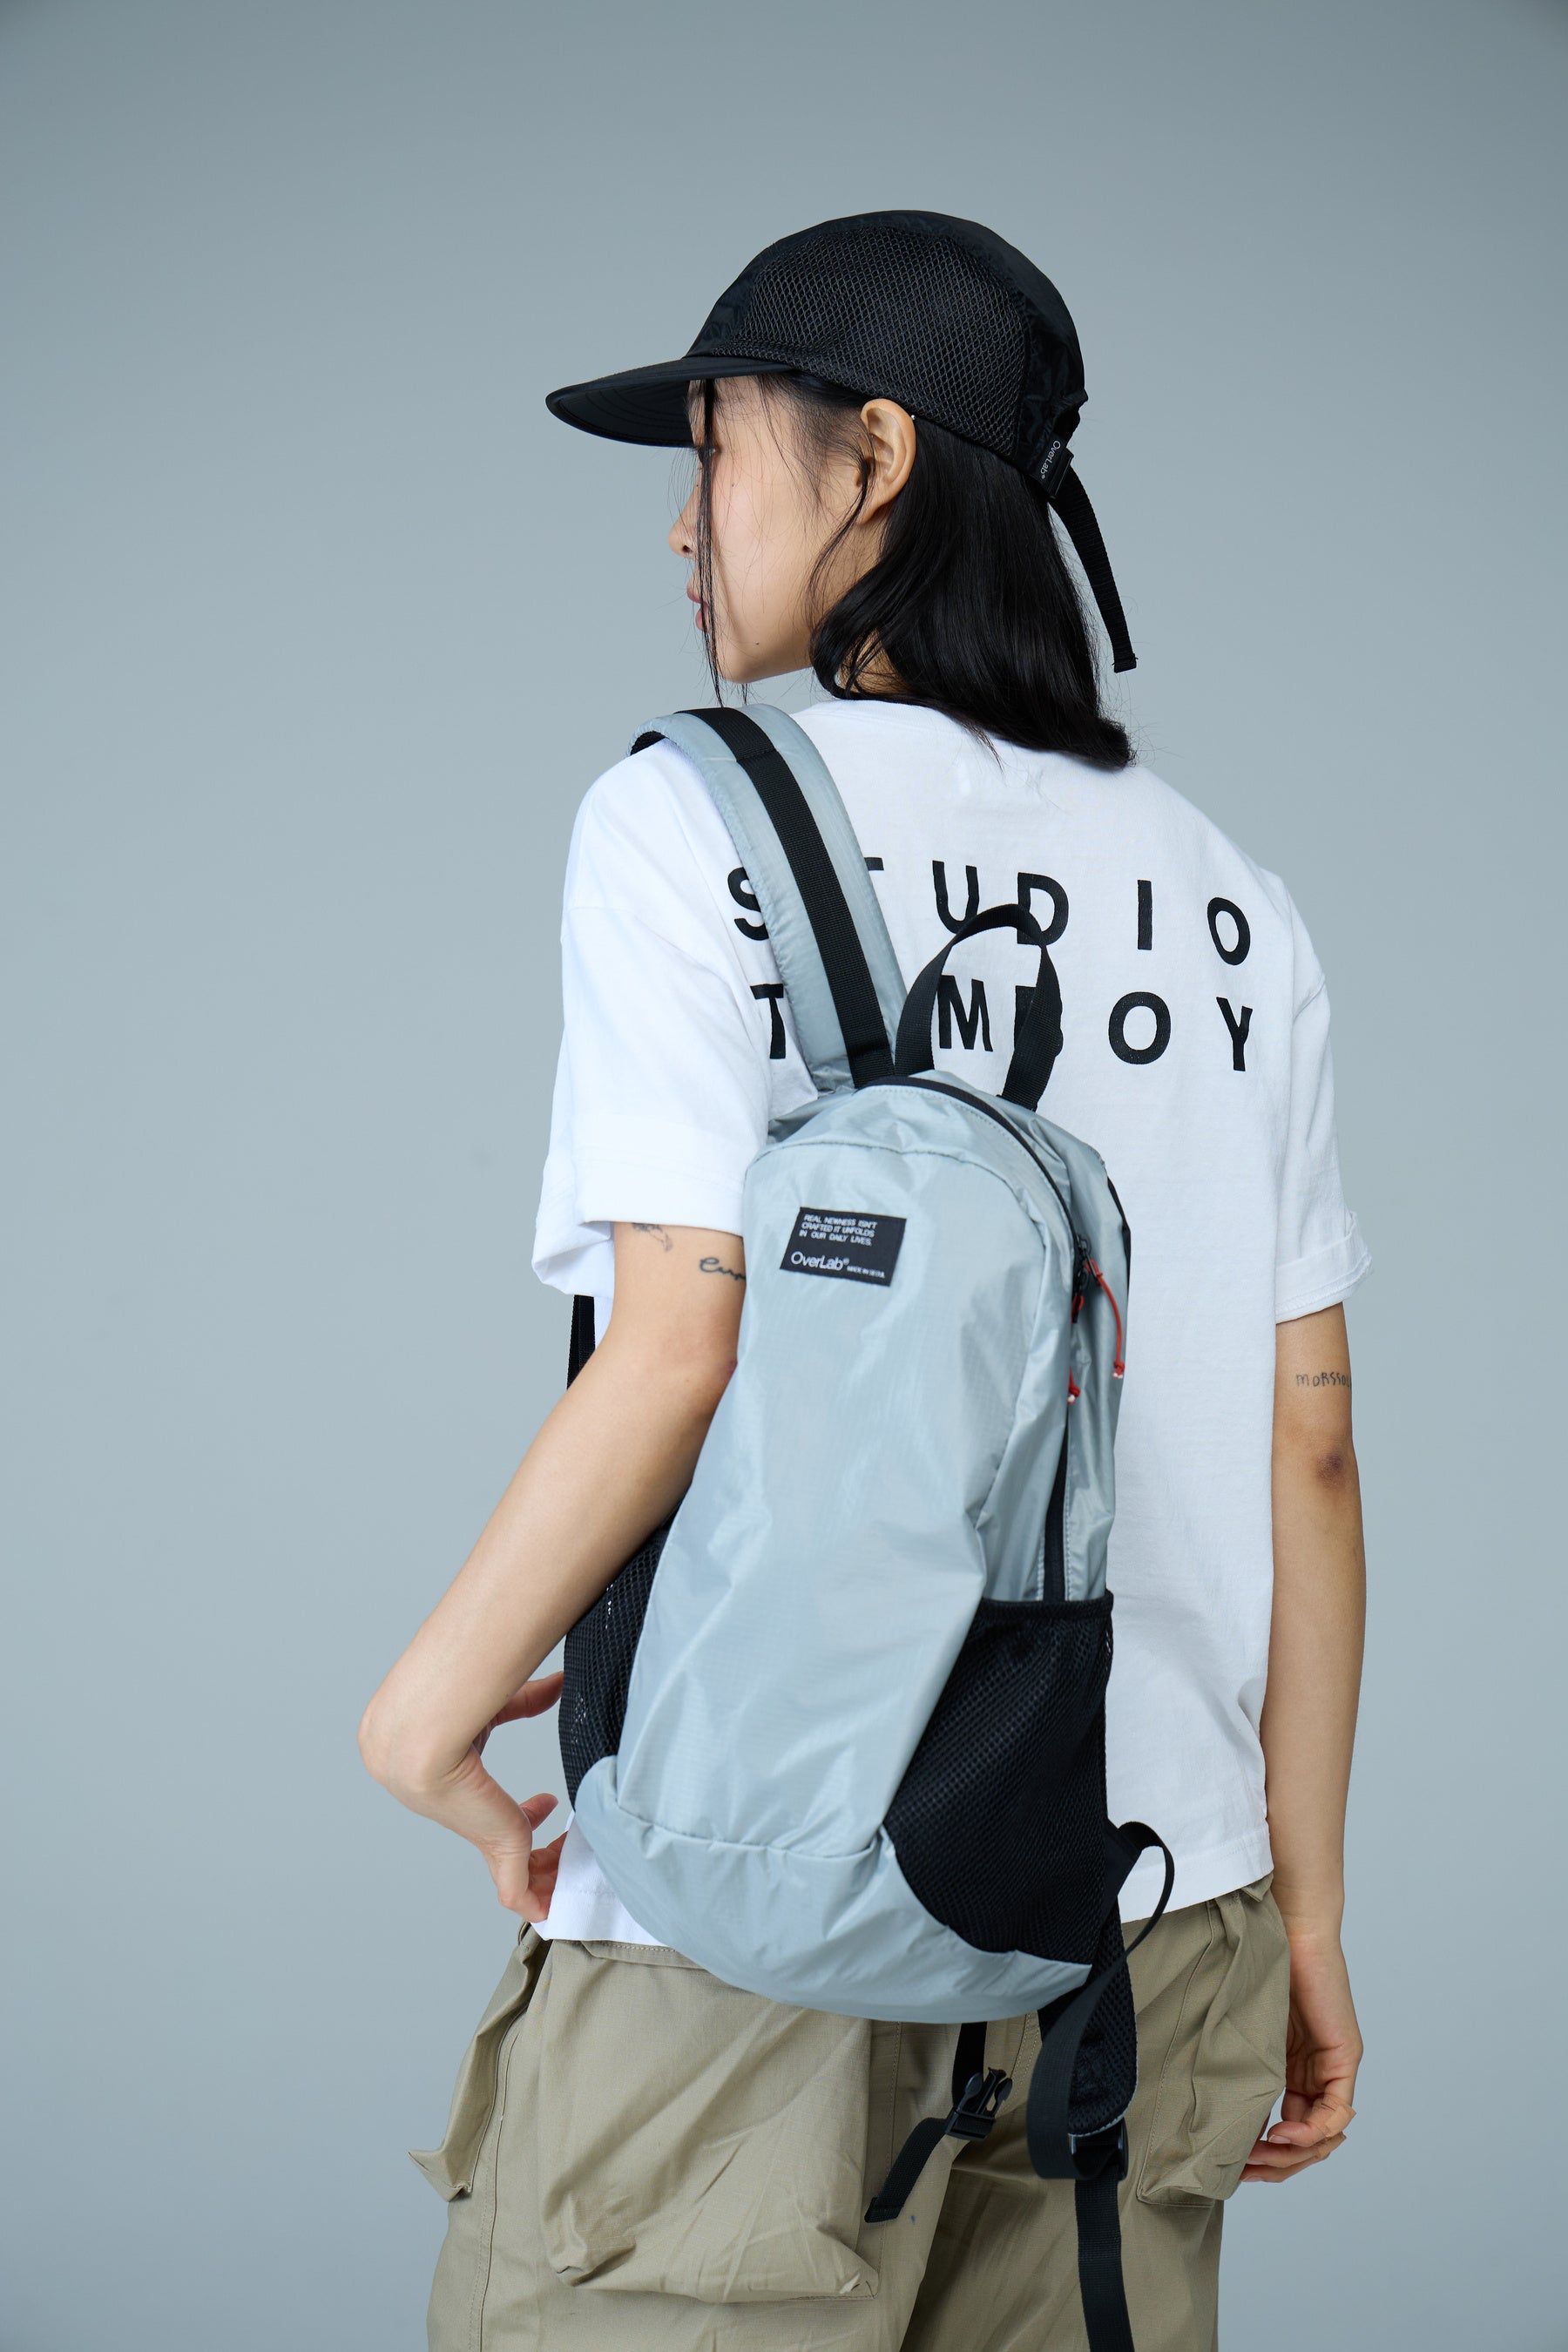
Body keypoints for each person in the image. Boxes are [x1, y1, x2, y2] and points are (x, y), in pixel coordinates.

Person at [358, 213, 1369, 2351]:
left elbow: (679, 1342)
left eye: (713, 449)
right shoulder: (1232, 901)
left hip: (765, 1891)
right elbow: (1313, 1446)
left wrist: (424, 1713)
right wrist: (1303, 1911)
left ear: (874, 456)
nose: (680, 527)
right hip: (1148, 1920)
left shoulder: (694, 817)